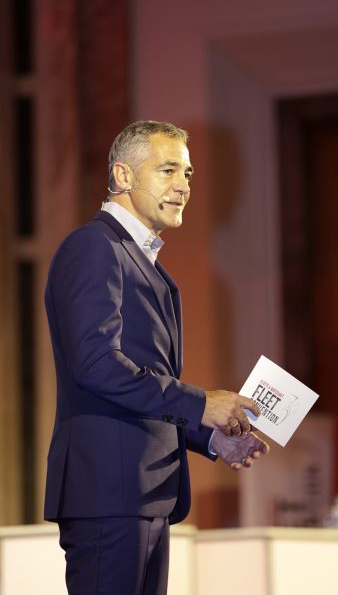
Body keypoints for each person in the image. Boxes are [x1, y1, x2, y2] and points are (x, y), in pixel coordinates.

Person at [44, 120, 268, 595]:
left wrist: (210, 437)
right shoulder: (95, 247)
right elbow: (97, 365)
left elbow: (141, 388)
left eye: (187, 174)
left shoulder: (136, 258)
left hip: (140, 495)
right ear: (123, 176)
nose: (183, 186)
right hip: (109, 493)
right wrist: (201, 404)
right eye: (168, 170)